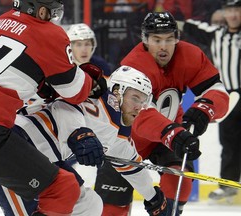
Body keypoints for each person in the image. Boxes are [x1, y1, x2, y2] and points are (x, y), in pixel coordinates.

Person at [0, 0, 107, 215]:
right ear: (41, 10)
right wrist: (92, 83)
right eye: (53, 12)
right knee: (63, 188)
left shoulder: (3, 19)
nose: (54, 18)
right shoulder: (50, 33)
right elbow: (74, 91)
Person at [0, 65, 174, 216]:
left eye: (144, 101)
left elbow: (132, 165)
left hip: (44, 160)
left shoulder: (119, 132)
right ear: (117, 91)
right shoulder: (95, 95)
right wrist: (79, 132)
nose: (140, 107)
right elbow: (66, 106)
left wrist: (153, 197)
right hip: (10, 147)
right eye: (135, 98)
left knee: (89, 204)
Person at [94, 11, 229, 215]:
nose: (163, 46)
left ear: (177, 38)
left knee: (179, 181)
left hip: (167, 133)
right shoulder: (135, 66)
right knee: (111, 210)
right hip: (125, 138)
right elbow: (138, 114)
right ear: (145, 40)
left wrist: (204, 109)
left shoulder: (189, 56)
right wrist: (174, 133)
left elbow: (217, 90)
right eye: (157, 40)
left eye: (169, 39)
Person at [180, 0, 241, 202]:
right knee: (229, 143)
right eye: (229, 10)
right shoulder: (216, 34)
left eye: (237, 10)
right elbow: (187, 25)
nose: (233, 15)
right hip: (228, 96)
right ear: (224, 12)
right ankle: (228, 186)